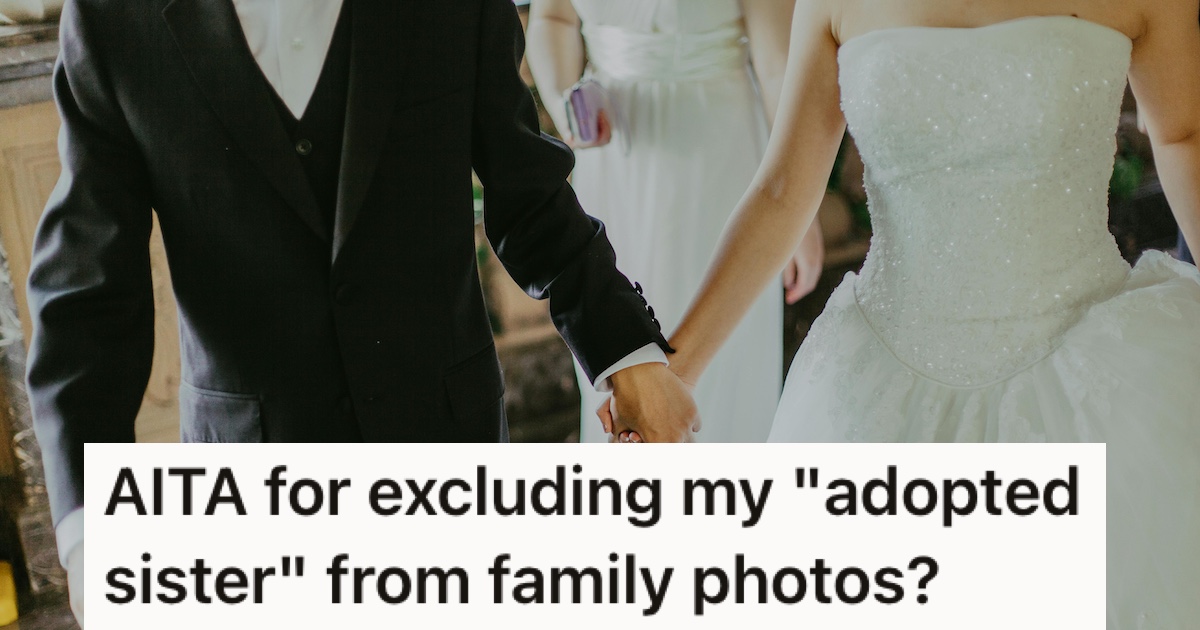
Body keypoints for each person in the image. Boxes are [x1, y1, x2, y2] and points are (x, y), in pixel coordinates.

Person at [26, 0, 700, 625]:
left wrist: (627, 356)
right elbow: (88, 294)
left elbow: (529, 195)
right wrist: (89, 526)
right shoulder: (113, 16)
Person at [625, 0, 1200, 624]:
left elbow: (1183, 135)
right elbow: (783, 188)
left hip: (1094, 379)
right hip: (878, 389)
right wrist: (673, 373)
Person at [527, 0, 824, 443]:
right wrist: (565, 102)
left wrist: (802, 209)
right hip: (611, 160)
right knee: (611, 342)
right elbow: (553, 18)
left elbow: (777, 65)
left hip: (715, 153)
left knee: (723, 350)